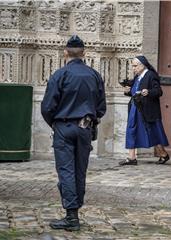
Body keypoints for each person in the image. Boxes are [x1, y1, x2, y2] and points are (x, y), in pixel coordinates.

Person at [41, 35, 106, 231]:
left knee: (66, 170)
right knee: (79, 170)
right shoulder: (94, 75)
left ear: (65, 52)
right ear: (84, 53)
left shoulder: (60, 75)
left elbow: (47, 106)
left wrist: (55, 123)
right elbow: (101, 107)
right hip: (85, 127)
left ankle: (71, 216)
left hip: (64, 126)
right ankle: (74, 211)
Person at [119, 55, 169, 166]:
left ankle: (163, 154)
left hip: (147, 109)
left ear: (142, 65)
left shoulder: (151, 75)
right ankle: (131, 157)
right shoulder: (138, 76)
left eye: (135, 66)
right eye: (132, 66)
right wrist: (128, 91)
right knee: (131, 130)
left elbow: (159, 91)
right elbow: (134, 92)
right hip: (135, 108)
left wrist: (149, 92)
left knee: (152, 132)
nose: (133, 68)